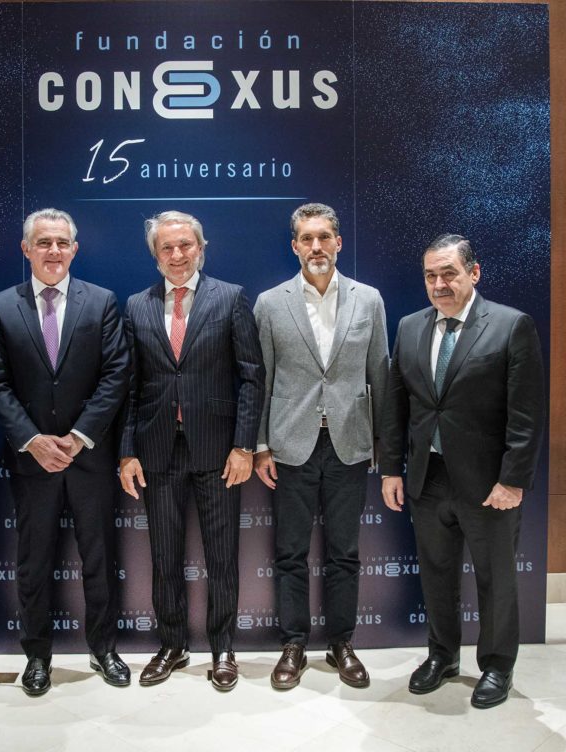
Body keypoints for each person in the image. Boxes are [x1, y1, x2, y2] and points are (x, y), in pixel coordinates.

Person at [378, 234, 545, 709]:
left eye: (449, 273)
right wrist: (391, 468)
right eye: (430, 275)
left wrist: (513, 480)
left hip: (489, 484)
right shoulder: (410, 327)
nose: (439, 284)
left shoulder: (511, 325)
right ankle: (442, 655)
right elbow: (396, 405)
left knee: (496, 579)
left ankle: (497, 666)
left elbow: (526, 414)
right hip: (427, 477)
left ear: (474, 273)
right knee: (436, 574)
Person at [0, 209, 131, 696]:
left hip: (88, 457)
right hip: (32, 459)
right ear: (26, 249)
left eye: (62, 243)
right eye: (43, 242)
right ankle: (37, 657)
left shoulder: (102, 302)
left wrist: (79, 435)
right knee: (34, 562)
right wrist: (33, 440)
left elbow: (116, 375)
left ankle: (103, 650)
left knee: (99, 557)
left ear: (74, 249)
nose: (53, 251)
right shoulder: (0, 307)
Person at [119, 210, 265, 692]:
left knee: (222, 556)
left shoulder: (231, 298)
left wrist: (244, 445)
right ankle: (172, 645)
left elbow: (251, 377)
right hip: (157, 450)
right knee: (164, 556)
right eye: (167, 247)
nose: (177, 254)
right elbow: (129, 386)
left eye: (186, 245)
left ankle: (223, 648)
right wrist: (126, 451)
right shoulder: (136, 306)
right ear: (155, 255)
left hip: (219, 452)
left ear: (201, 248)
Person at [253, 203, 389, 690]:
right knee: (290, 552)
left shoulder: (368, 300)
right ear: (295, 246)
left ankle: (341, 643)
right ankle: (293, 644)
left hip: (349, 443)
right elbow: (262, 379)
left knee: (344, 552)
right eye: (307, 238)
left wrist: (384, 447)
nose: (316, 246)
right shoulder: (271, 303)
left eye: (324, 237)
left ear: (338, 242)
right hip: (290, 445)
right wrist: (261, 445)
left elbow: (380, 374)